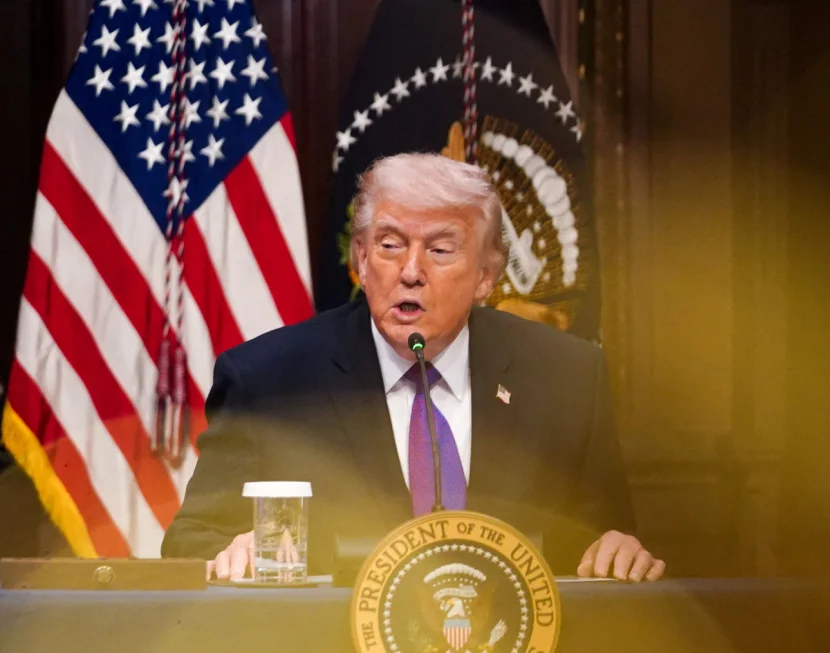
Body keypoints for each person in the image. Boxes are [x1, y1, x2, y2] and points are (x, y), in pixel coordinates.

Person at [162, 153, 665, 582]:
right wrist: (232, 552)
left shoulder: (566, 378)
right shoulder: (268, 380)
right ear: (361, 257)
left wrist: (617, 551)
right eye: (389, 244)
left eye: (441, 249)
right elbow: (193, 542)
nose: (410, 271)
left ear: (486, 277)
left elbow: (607, 543)